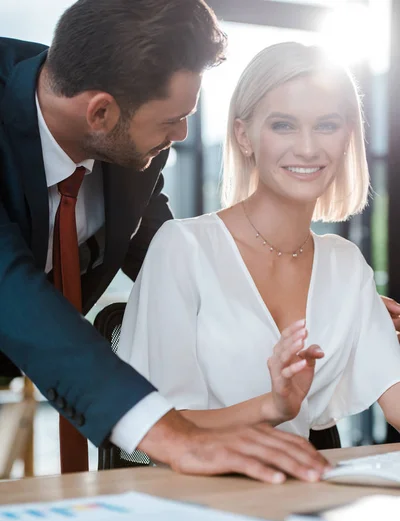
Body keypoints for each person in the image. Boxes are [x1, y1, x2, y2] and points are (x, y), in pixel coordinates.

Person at [0, 1, 330, 482]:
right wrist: (176, 436)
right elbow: (12, 292)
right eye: (172, 119)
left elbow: (175, 258)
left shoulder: (130, 137)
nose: (182, 133)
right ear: (100, 112)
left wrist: (315, 298)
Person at [118, 42, 400, 444]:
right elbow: (161, 427)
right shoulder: (182, 248)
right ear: (244, 136)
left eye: (327, 125)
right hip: (202, 496)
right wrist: (274, 407)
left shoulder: (345, 264)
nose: (308, 147)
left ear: (346, 138)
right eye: (283, 125)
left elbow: (395, 396)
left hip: (307, 492)